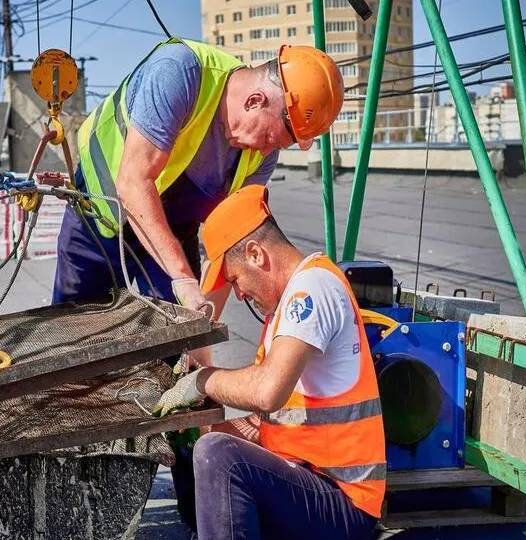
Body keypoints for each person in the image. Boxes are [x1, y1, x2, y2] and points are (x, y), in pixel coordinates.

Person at [50, 38, 343, 531]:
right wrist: (182, 278)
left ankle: (197, 506)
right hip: (96, 219)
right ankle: (66, 498)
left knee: (184, 367)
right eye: (273, 136)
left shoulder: (256, 158)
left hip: (169, 233)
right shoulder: (181, 73)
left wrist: (202, 328)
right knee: (70, 359)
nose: (268, 149)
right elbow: (133, 182)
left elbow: (228, 241)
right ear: (255, 101)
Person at [152, 184, 387, 540]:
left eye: (234, 279)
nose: (240, 292)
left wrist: (201, 382)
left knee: (218, 455)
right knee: (213, 444)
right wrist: (204, 429)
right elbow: (279, 418)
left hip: (344, 499)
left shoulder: (311, 291)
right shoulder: (288, 305)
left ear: (256, 254)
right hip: (314, 482)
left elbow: (267, 393)